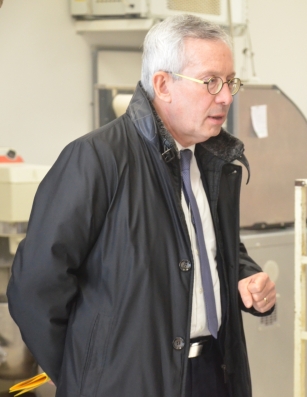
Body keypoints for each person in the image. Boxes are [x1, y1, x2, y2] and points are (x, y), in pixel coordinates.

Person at [7, 14, 276, 397]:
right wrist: (85, 371)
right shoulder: (96, 158)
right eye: (211, 82)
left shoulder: (212, 160)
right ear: (163, 84)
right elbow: (35, 285)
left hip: (214, 373)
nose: (226, 97)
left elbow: (211, 249)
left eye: (230, 82)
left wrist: (245, 276)